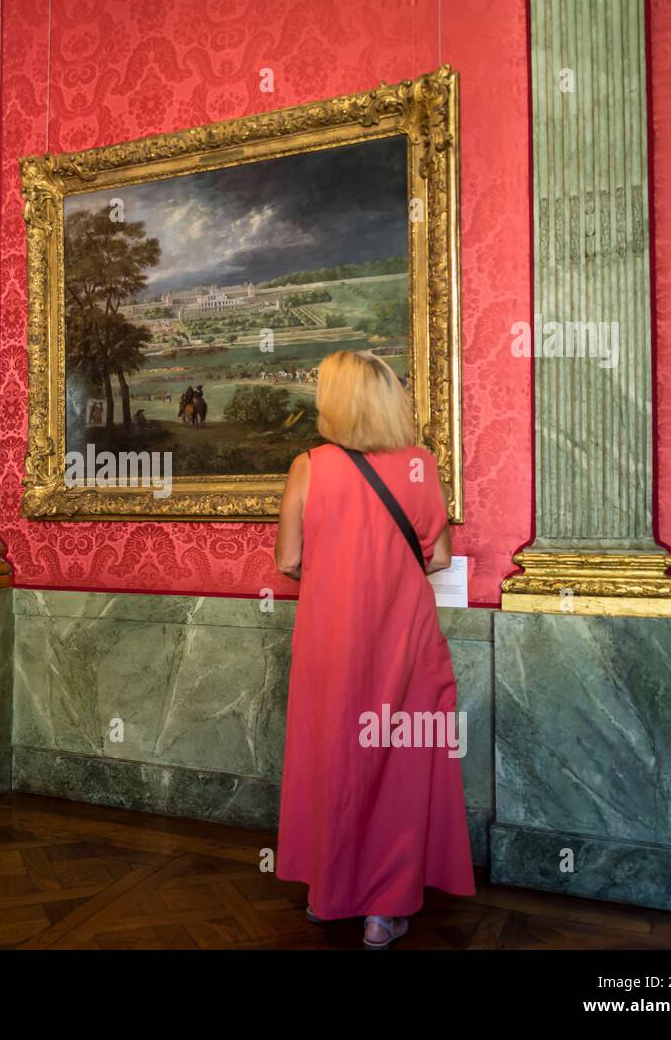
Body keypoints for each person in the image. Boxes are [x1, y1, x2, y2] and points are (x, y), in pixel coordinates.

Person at [273, 349, 474, 949]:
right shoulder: (420, 464)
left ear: (336, 402)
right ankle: (384, 912)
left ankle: (327, 893)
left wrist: (341, 576)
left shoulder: (309, 465)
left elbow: (287, 561)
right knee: (401, 758)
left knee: (335, 753)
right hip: (404, 632)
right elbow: (436, 557)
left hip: (332, 635)